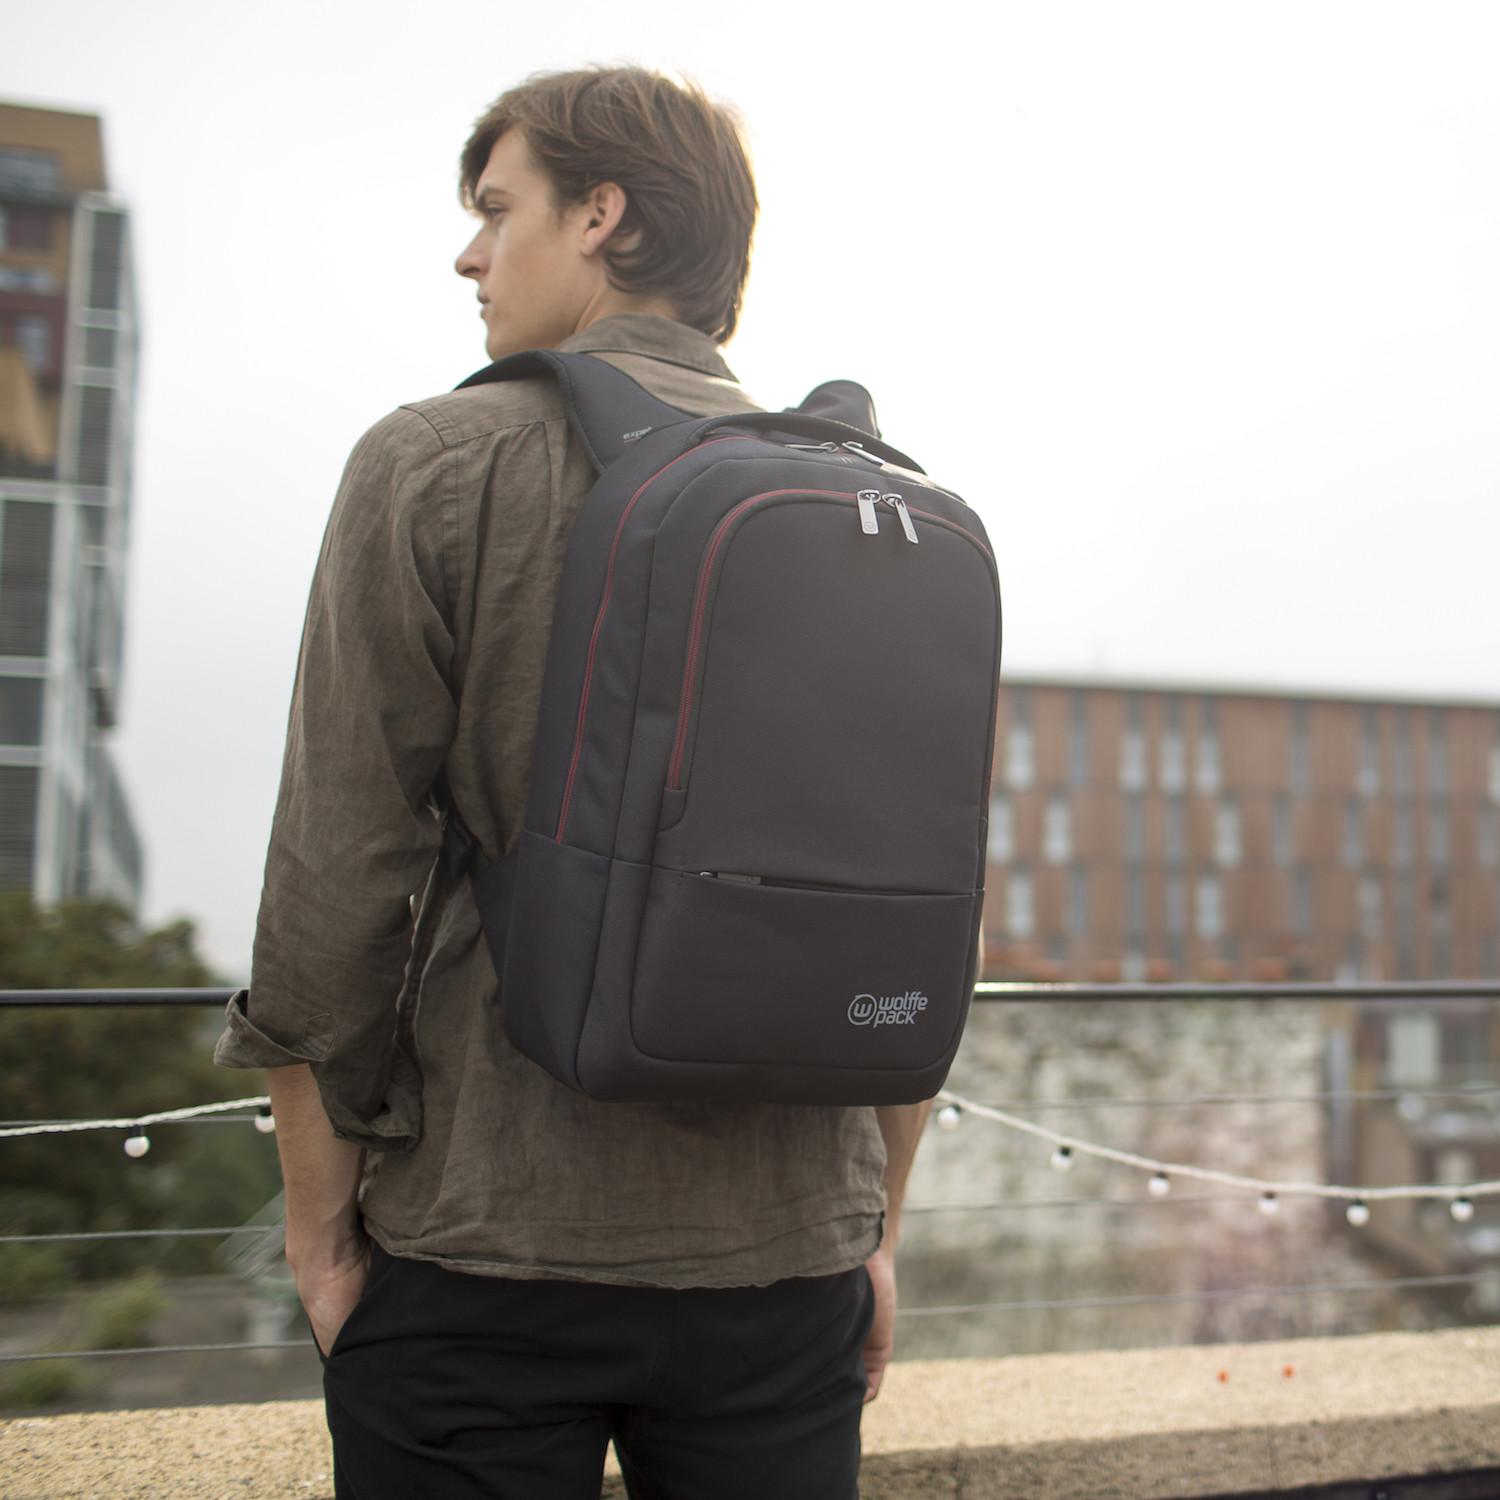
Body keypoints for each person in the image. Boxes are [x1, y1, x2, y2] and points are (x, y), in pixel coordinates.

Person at [216, 66, 932, 1500]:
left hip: (489, 1249)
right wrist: (874, 1229)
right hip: (787, 1262)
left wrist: (320, 1232)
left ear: (602, 215)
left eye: (498, 211)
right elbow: (910, 908)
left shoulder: (435, 464)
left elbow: (333, 887)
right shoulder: (881, 507)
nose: (469, 254)